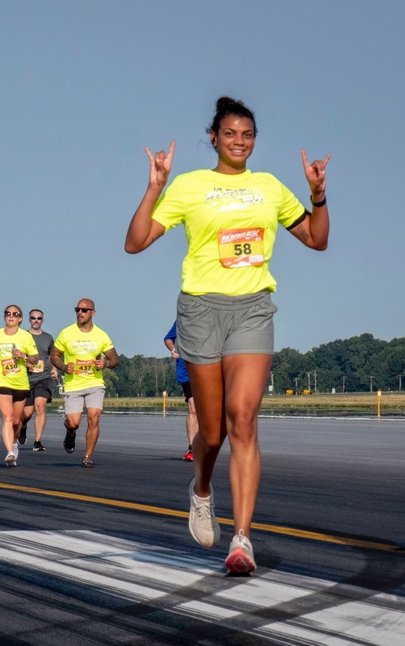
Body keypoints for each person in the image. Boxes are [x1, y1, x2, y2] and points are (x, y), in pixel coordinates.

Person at [124, 96, 331, 574]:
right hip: (199, 311)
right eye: (231, 134)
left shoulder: (270, 187)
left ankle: (242, 540)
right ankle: (201, 489)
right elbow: (135, 243)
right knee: (212, 432)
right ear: (214, 138)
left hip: (253, 309)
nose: (240, 142)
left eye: (248, 135)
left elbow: (317, 239)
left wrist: (317, 194)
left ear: (255, 141)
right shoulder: (191, 186)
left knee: (244, 418)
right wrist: (154, 187)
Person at [49, 299, 120, 468]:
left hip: (94, 382)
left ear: (92, 313)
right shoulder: (66, 333)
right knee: (74, 422)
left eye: (84, 310)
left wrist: (106, 364)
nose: (80, 312)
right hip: (74, 384)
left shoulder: (101, 335)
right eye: (77, 309)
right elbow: (54, 355)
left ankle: (88, 456)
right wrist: (65, 367)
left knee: (93, 418)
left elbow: (115, 359)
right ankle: (70, 432)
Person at [0, 305, 40, 467]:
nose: (11, 316)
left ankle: (14, 442)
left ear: (20, 319)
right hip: (1, 380)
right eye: (8, 313)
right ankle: (9, 452)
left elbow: (35, 359)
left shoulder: (26, 337)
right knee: (7, 417)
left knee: (16, 421)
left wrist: (24, 356)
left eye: (15, 314)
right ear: (4, 317)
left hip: (20, 383)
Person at [18, 308, 58, 452]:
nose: (36, 320)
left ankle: (37, 441)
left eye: (39, 318)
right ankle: (22, 427)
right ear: (29, 320)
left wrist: (54, 369)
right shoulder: (22, 336)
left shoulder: (48, 338)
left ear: (42, 320)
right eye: (33, 318)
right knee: (27, 413)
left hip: (43, 377)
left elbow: (51, 356)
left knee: (40, 406)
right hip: (26, 378)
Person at [164, 322, 197, 462]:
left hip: (208, 369)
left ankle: (206, 445)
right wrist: (173, 348)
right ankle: (192, 447)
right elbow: (168, 338)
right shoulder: (182, 319)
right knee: (193, 407)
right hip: (187, 371)